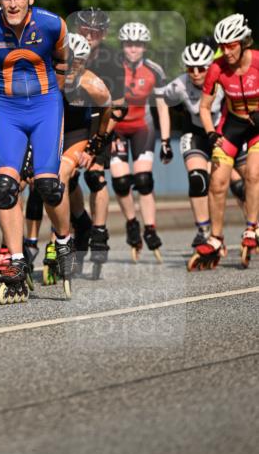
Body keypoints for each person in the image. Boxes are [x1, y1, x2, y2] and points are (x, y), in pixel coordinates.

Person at [0, 0, 71, 301]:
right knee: (4, 186)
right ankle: (15, 260)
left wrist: (48, 97)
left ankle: (64, 239)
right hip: (8, 109)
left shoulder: (52, 24)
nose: (12, 5)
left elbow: (62, 63)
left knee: (47, 185)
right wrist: (2, 90)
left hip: (45, 106)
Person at [43, 32, 114, 281]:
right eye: (65, 63)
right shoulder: (48, 74)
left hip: (78, 132)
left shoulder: (92, 83)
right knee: (50, 183)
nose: (70, 70)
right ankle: (80, 222)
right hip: (52, 130)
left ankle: (60, 240)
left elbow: (108, 109)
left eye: (77, 64)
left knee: (59, 178)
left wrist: (96, 143)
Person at [190, 14, 259, 269]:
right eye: (222, 46)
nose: (226, 51)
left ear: (244, 42)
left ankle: (252, 228)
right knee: (217, 183)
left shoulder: (258, 62)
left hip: (257, 128)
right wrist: (210, 133)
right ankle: (216, 238)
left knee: (253, 174)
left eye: (231, 45)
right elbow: (205, 107)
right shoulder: (216, 67)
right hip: (232, 125)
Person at [69, 8, 127, 267]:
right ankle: (81, 221)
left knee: (95, 175)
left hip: (101, 121)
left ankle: (100, 232)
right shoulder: (67, 52)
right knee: (67, 178)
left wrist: (98, 141)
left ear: (104, 34)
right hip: (72, 118)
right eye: (85, 30)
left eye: (96, 32)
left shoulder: (112, 60)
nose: (90, 36)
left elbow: (119, 108)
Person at [110, 21, 170, 261]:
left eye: (137, 45)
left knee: (143, 180)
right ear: (123, 45)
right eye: (128, 44)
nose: (133, 49)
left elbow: (163, 108)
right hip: (117, 129)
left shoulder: (155, 70)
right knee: (122, 181)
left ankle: (151, 227)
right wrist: (105, 134)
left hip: (142, 128)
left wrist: (166, 140)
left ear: (144, 47)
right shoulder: (112, 68)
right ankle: (132, 223)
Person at [157, 42, 224, 246]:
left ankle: (251, 226)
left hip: (221, 132)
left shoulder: (222, 80)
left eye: (201, 68)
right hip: (195, 132)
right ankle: (203, 230)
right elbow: (161, 98)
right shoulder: (179, 84)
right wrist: (165, 140)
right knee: (197, 180)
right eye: (190, 68)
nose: (195, 73)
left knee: (237, 185)